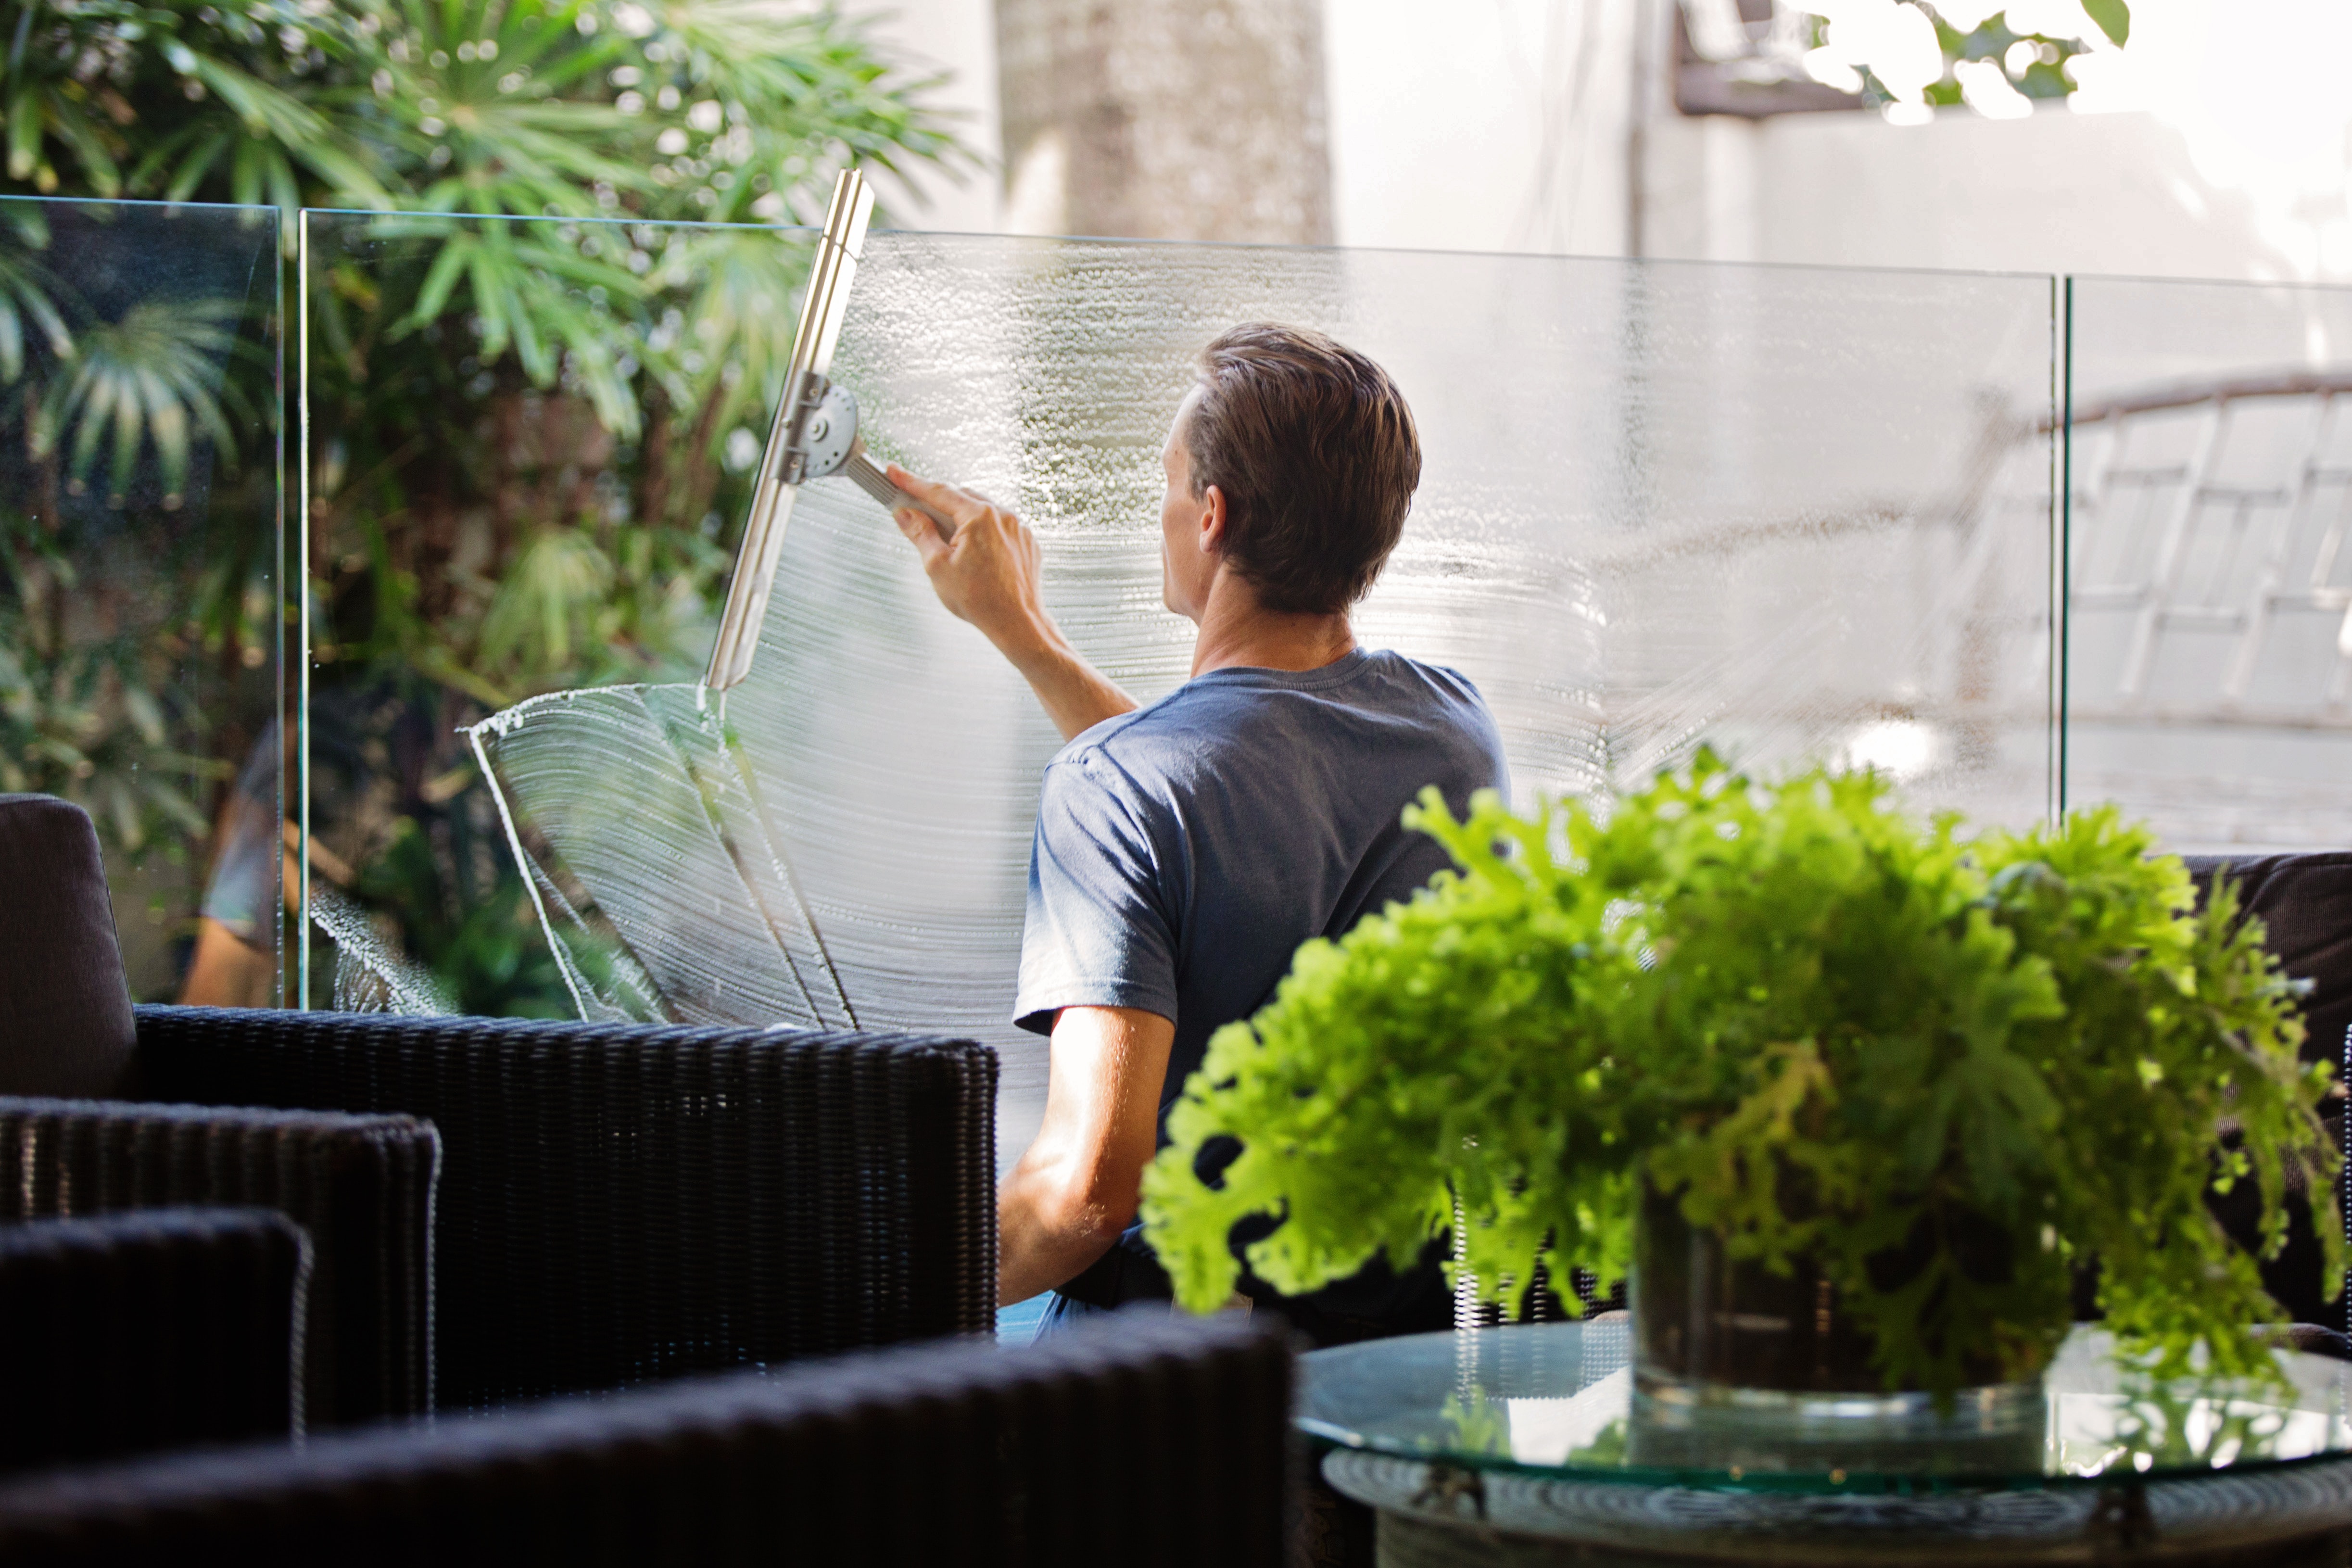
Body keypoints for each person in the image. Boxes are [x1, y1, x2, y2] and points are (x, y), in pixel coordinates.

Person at [886, 322, 1508, 1345]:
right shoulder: (1454, 730)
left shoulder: (1120, 787)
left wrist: (861, 1279)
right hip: (1392, 1360)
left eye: (1170, 484)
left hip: (1177, 1391)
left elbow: (1084, 1197)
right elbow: (1236, 786)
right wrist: (1025, 635)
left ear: (1211, 517)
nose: (1165, 509)